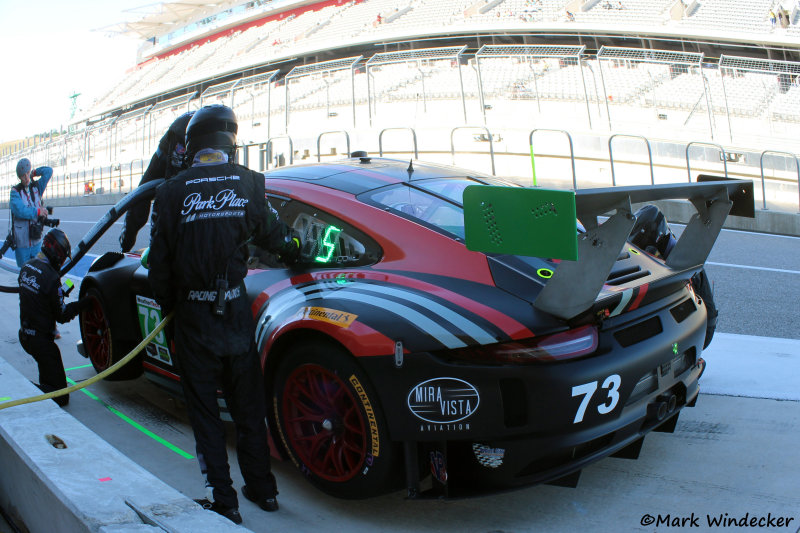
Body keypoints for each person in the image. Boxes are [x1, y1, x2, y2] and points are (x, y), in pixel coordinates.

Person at [148, 105, 301, 525]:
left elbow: (157, 267)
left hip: (194, 318)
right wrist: (302, 251)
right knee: (249, 410)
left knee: (205, 415)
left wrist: (169, 310)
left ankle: (224, 500)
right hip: (234, 310)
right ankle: (264, 491)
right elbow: (277, 237)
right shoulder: (250, 182)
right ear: (230, 141)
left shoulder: (170, 192)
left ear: (192, 144)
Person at [18, 229, 88, 407]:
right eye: (63, 257)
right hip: (41, 342)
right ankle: (20, 390)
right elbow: (62, 315)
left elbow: (39, 297)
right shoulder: (51, 278)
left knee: (49, 377)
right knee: (61, 396)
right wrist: (83, 303)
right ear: (57, 254)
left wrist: (58, 294)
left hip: (25, 335)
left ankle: (40, 387)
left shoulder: (27, 266)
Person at [119, 111, 194, 253]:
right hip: (164, 161)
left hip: (189, 159)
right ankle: (127, 244)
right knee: (142, 203)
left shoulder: (222, 134)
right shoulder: (181, 130)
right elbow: (171, 187)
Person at [10, 158, 53, 267]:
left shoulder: (37, 187)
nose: (26, 178)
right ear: (19, 177)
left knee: (39, 270)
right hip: (22, 245)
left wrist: (34, 172)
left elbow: (48, 171)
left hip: (36, 241)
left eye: (27, 173)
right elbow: (20, 211)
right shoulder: (15, 192)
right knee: (24, 273)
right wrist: (38, 211)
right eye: (23, 176)